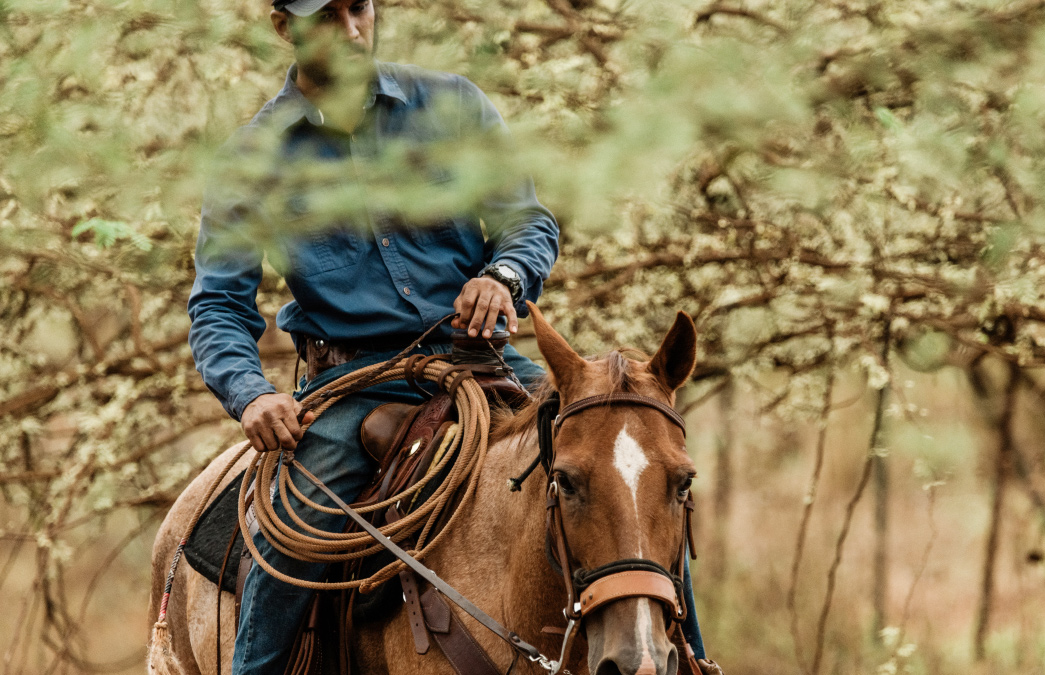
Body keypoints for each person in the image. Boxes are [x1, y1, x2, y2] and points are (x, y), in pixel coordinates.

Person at [186, 0, 714, 672]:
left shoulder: (452, 106)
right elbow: (218, 304)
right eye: (328, 15)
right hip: (356, 385)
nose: (352, 31)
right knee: (296, 538)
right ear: (284, 25)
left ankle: (689, 656)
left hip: (482, 359)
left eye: (360, 8)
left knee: (632, 458)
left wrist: (503, 274)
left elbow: (528, 223)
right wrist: (251, 393)